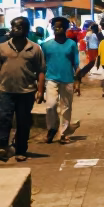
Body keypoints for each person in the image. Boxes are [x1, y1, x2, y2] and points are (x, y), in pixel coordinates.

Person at [0, 17, 45, 162]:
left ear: (26, 29)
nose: (15, 29)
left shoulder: (35, 49)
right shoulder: (2, 48)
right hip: (6, 91)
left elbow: (41, 71)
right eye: (13, 27)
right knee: (4, 119)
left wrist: (40, 90)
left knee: (23, 122)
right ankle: (3, 147)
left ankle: (20, 150)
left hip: (26, 92)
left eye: (19, 27)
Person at [40, 16, 89, 144]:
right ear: (52, 28)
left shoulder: (71, 45)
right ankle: (51, 129)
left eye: (61, 27)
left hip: (68, 79)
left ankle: (63, 133)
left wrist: (77, 82)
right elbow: (42, 66)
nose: (58, 29)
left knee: (66, 108)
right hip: (51, 79)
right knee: (50, 105)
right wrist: (39, 86)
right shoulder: (45, 45)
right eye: (56, 27)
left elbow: (76, 64)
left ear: (66, 28)